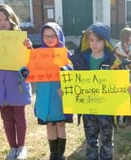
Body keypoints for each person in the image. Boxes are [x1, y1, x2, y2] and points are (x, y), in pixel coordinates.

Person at [0, 4, 32, 160]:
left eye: (5, 19)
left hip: (16, 84)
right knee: (6, 118)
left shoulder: (20, 39)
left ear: (11, 19)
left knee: (19, 117)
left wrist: (29, 49)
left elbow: (30, 62)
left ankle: (22, 148)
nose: (2, 22)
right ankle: (12, 148)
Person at [70, 22, 121, 160]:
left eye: (98, 40)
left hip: (106, 111)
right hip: (88, 109)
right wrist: (67, 91)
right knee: (91, 141)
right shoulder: (80, 60)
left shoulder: (113, 62)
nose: (95, 44)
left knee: (106, 141)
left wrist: (126, 87)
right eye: (91, 40)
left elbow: (121, 81)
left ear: (106, 41)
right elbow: (72, 80)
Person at [22, 22, 73, 160]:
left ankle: (61, 153)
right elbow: (27, 69)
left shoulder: (65, 53)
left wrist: (65, 75)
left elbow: (72, 72)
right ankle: (53, 153)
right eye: (46, 36)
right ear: (42, 37)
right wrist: (28, 50)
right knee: (50, 124)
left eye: (53, 36)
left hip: (60, 96)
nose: (49, 39)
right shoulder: (38, 53)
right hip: (45, 96)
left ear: (59, 36)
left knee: (61, 124)